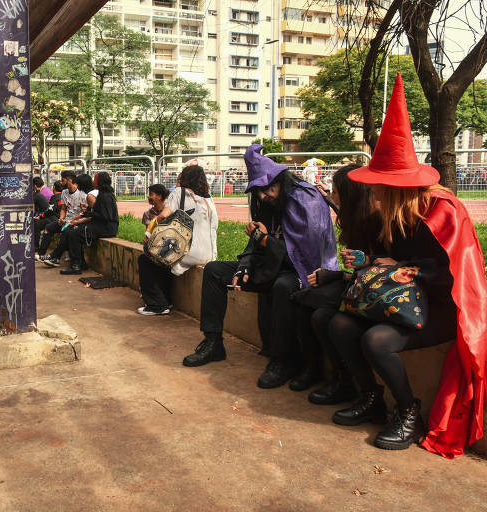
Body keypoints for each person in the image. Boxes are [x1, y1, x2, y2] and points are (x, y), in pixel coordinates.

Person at [324, 75, 487, 457]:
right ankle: (371, 399)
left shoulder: (445, 211)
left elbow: (458, 276)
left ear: (400, 186)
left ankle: (408, 413)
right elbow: (386, 260)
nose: (374, 192)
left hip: (442, 307)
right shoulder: (391, 214)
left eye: (380, 186)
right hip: (401, 301)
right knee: (339, 323)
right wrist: (367, 261)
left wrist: (407, 268)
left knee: (375, 339)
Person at [181, 144, 338, 392]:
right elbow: (254, 245)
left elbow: (303, 254)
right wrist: (244, 266)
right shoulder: (267, 203)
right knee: (214, 271)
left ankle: (282, 360)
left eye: (267, 188)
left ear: (280, 180)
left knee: (282, 286)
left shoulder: (306, 199)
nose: (264, 195)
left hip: (304, 271)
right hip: (274, 265)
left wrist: (264, 240)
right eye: (259, 191)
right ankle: (213, 342)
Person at [292, 163, 382, 399]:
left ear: (349, 194)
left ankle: (344, 383)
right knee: (305, 302)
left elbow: (377, 271)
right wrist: (335, 275)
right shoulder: (357, 218)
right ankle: (319, 372)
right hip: (360, 284)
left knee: (318, 312)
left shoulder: (378, 221)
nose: (332, 195)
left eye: (334, 190)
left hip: (377, 290)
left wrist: (336, 275)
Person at [137, 166, 218, 315]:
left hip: (188, 252)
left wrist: (149, 234)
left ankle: (157, 305)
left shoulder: (179, 192)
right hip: (208, 255)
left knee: (147, 258)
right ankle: (165, 301)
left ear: (184, 178)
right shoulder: (208, 198)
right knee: (163, 259)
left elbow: (161, 216)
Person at [46, 172, 119, 275]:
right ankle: (80, 263)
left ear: (100, 182)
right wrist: (88, 211)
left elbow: (106, 216)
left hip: (107, 228)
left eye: (95, 179)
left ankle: (75, 265)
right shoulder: (103, 194)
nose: (93, 181)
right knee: (72, 231)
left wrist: (90, 213)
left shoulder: (105, 196)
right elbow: (99, 213)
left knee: (74, 234)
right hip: (102, 225)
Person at [36, 174, 86, 260]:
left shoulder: (82, 194)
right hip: (66, 220)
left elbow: (84, 214)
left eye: (63, 180)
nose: (61, 182)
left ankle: (56, 258)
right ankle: (41, 254)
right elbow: (63, 209)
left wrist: (69, 220)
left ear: (69, 181)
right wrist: (61, 218)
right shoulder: (64, 192)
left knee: (66, 231)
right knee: (48, 227)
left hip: (77, 221)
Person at [33, 180, 63, 250]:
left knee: (36, 224)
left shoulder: (55, 197)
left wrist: (40, 217)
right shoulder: (63, 196)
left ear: (54, 187)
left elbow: (50, 211)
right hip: (60, 218)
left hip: (54, 219)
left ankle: (36, 247)